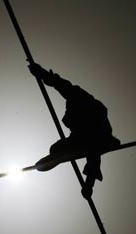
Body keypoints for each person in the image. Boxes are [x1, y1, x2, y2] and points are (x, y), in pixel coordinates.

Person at [29, 62, 120, 199]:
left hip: (100, 137)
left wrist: (89, 184)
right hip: (83, 138)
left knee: (90, 146)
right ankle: (58, 155)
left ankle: (60, 154)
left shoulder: (86, 109)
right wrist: (41, 73)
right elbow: (59, 84)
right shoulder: (74, 102)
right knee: (56, 148)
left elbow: (93, 157)